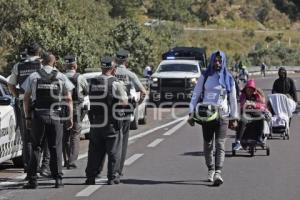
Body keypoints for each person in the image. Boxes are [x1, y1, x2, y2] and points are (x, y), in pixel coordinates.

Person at [22, 52, 74, 189]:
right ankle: (58, 180)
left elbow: (26, 98)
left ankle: (33, 180)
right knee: (55, 147)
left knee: (36, 147)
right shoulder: (61, 77)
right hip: (56, 116)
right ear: (54, 62)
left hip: (39, 115)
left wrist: (27, 116)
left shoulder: (33, 76)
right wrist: (70, 117)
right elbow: (69, 99)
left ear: (42, 62)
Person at [188, 50, 239, 186]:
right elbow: (196, 93)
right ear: (211, 61)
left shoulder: (228, 78)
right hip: (207, 115)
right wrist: (191, 112)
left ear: (223, 61)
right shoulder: (205, 76)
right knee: (208, 144)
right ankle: (210, 168)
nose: (217, 63)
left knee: (220, 144)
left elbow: (233, 99)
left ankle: (218, 172)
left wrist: (234, 117)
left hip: (223, 115)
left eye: (220, 60)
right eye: (215, 61)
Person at [7, 43, 48, 176]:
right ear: (39, 52)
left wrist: (17, 95)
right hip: (40, 102)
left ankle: (29, 167)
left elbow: (10, 84)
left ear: (27, 52)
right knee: (44, 135)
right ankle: (43, 166)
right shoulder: (42, 65)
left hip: (23, 102)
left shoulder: (18, 65)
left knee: (27, 137)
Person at [85, 56, 128, 185]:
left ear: (102, 67)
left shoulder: (93, 82)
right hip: (110, 122)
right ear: (113, 69)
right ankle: (112, 176)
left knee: (94, 151)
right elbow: (124, 102)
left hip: (95, 122)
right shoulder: (115, 83)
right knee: (114, 150)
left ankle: (91, 177)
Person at [115, 49, 147, 177]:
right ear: (126, 60)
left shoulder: (111, 72)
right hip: (126, 110)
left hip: (110, 110)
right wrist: (136, 106)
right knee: (123, 140)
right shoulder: (130, 74)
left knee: (111, 140)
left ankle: (107, 167)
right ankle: (119, 169)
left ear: (116, 60)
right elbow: (143, 92)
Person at [63, 55, 88, 169]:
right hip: (77, 108)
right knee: (75, 134)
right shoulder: (80, 77)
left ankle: (67, 158)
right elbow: (86, 91)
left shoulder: (60, 77)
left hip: (63, 108)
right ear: (75, 65)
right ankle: (72, 160)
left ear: (65, 65)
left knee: (65, 134)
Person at [233, 79, 270, 150]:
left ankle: (259, 138)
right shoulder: (243, 95)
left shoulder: (257, 95)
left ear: (253, 90)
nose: (249, 91)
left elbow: (262, 105)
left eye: (251, 89)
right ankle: (238, 141)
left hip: (256, 113)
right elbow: (242, 104)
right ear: (246, 89)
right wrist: (248, 104)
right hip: (246, 113)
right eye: (248, 89)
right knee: (243, 120)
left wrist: (254, 104)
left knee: (261, 118)